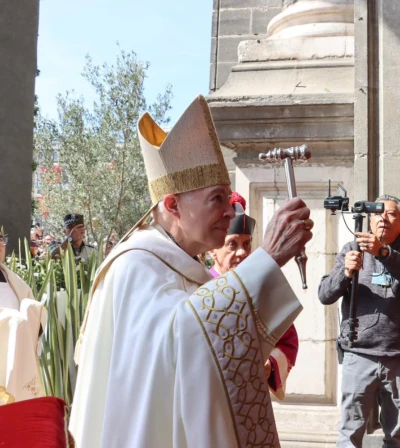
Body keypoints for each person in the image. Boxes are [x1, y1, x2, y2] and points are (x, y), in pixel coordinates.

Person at [69, 95, 313, 447]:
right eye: (217, 199)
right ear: (172, 205)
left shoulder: (181, 264)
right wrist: (267, 259)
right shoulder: (135, 265)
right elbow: (185, 342)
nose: (230, 213)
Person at [318, 195, 400, 448]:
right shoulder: (351, 249)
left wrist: (384, 253)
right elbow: (324, 294)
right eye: (378, 214)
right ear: (369, 220)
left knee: (396, 436)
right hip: (359, 355)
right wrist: (345, 273)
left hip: (398, 357)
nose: (383, 219)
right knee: (350, 433)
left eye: (391, 214)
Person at [209, 191, 299, 400]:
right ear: (213, 250)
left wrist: (271, 363)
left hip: (251, 396)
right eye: (232, 244)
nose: (242, 252)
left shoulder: (261, 288)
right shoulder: (198, 286)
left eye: (247, 244)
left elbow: (288, 340)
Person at [0, 230, 47, 404]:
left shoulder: (14, 280)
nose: (0, 244)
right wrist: (11, 321)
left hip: (15, 354)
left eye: (1, 239)